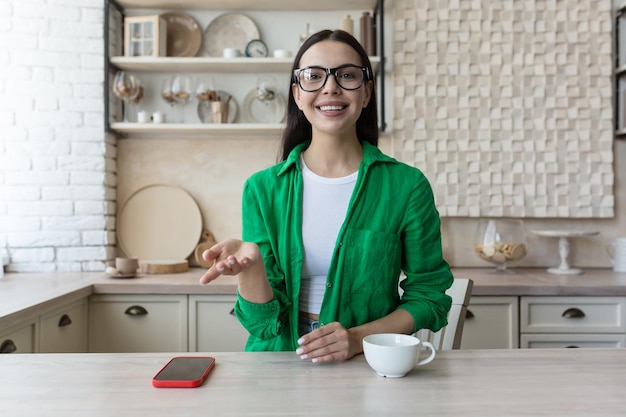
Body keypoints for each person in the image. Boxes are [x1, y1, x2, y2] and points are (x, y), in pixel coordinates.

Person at [199, 29, 453, 364]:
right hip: (278, 361)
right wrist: (252, 267)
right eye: (314, 76)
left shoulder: (406, 186)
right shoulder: (262, 189)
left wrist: (357, 338)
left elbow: (429, 296)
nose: (330, 87)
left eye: (347, 75)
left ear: (366, 93)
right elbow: (262, 324)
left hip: (368, 361)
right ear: (298, 94)